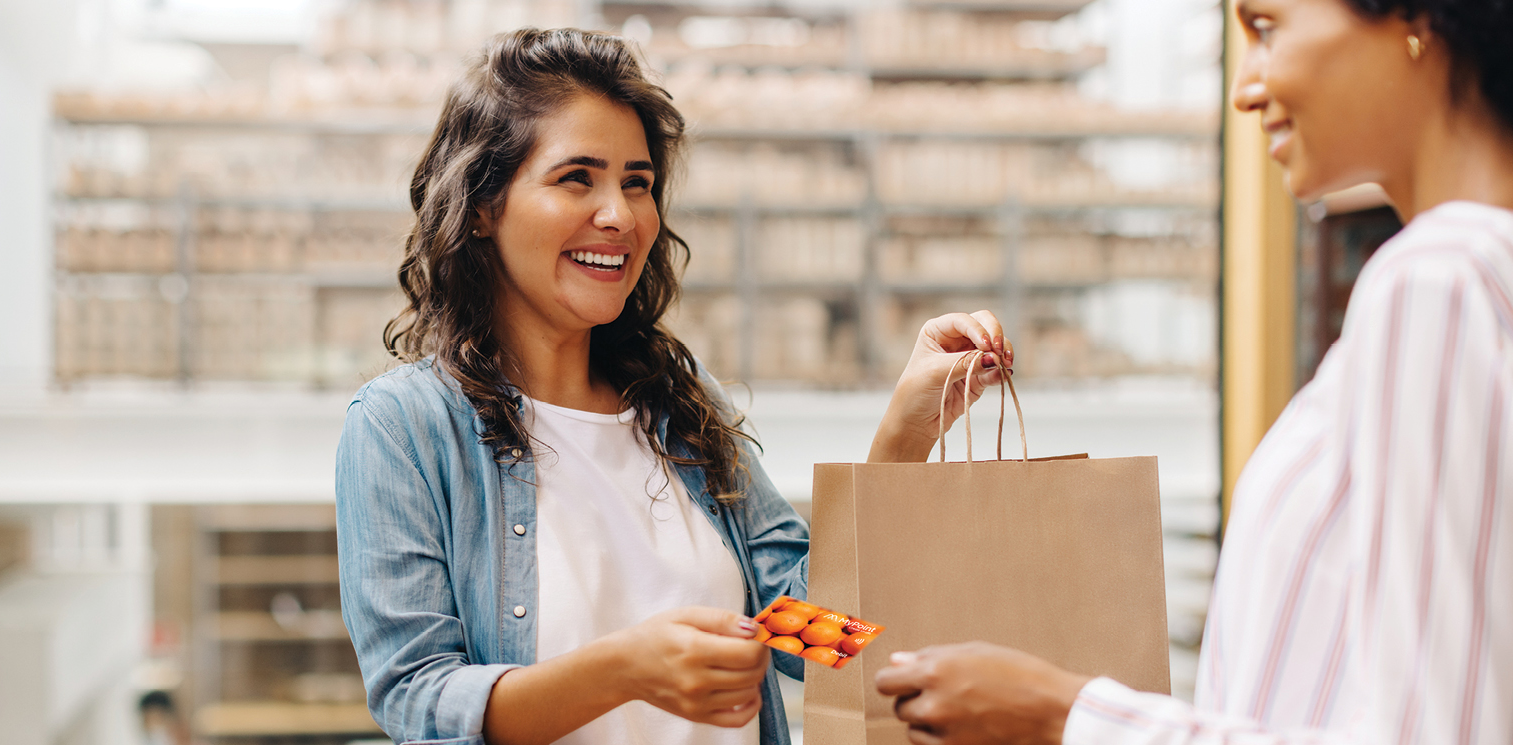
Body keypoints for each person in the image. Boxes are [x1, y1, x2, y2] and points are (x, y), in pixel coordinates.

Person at [334, 27, 1014, 745]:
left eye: (638, 182)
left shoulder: (679, 405)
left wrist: (906, 433)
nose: (621, 216)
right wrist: (624, 669)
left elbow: (817, 641)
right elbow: (416, 697)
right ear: (481, 205)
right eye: (576, 178)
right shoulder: (403, 427)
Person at [873, 0, 1513, 743]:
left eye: (1266, 27)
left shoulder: (1441, 278)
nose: (1244, 88)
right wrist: (900, 442)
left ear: (1417, 18)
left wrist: (1067, 714)